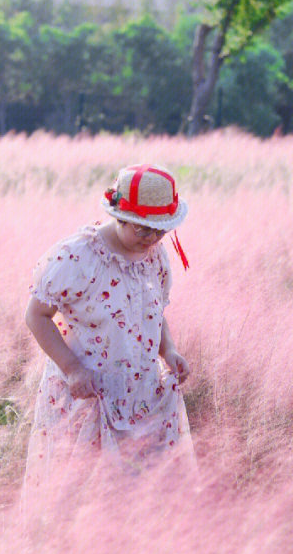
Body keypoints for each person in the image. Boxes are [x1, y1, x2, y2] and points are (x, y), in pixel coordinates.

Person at [22, 164, 198, 501]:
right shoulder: (77, 256)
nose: (152, 238)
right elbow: (36, 316)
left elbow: (153, 311)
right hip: (88, 392)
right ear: (120, 215)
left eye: (160, 230)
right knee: (83, 493)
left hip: (139, 392)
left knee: (138, 493)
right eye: (143, 229)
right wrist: (72, 369)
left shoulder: (155, 256)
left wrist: (169, 351)